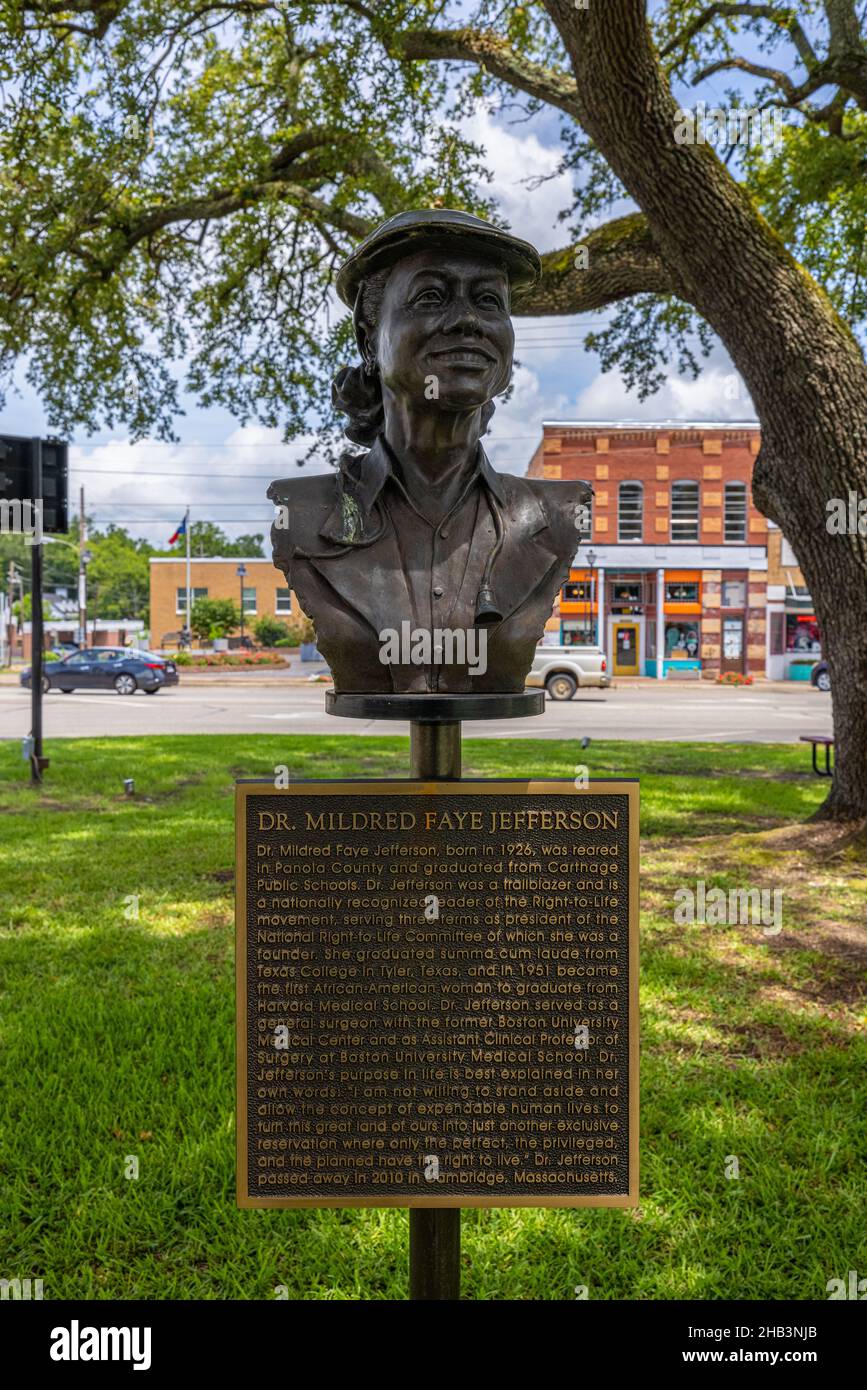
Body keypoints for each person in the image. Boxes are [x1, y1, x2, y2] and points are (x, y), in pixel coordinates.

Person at [268, 209, 590, 694]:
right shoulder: (304, 515)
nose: (466, 320)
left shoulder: (556, 516)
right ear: (368, 339)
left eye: (488, 301)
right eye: (431, 297)